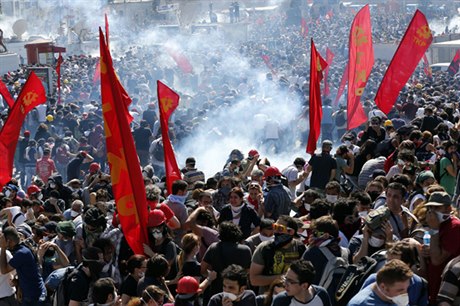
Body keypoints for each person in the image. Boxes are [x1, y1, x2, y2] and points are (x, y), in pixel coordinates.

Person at [250, 216, 306, 293]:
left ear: (291, 232)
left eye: (280, 228)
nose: (275, 231)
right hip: (268, 297)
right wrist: (283, 277)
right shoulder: (265, 248)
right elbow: (254, 280)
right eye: (274, 227)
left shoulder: (300, 248)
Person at [422, 191, 460, 305]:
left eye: (437, 207)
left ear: (448, 208)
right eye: (430, 207)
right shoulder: (439, 224)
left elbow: (437, 260)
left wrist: (434, 229)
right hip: (433, 285)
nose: (432, 212)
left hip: (446, 288)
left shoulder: (455, 227)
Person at [0, 226, 47, 306]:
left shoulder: (21, 253)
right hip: (32, 292)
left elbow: (4, 270)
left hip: (34, 295)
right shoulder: (24, 248)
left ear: (8, 241)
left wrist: (3, 248)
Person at [348, 259, 412, 306]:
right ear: (383, 287)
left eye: (407, 288)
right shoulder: (359, 304)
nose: (405, 294)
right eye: (400, 291)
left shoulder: (394, 298)